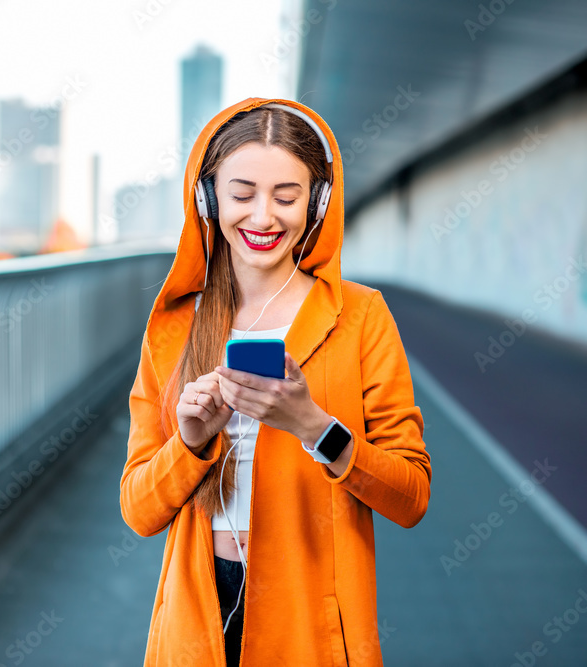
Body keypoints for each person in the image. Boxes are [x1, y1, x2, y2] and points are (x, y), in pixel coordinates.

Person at [119, 97, 432, 666]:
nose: (263, 218)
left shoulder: (361, 318)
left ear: (316, 203)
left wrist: (313, 427)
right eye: (241, 195)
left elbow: (410, 497)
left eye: (286, 198)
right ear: (208, 198)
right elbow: (139, 512)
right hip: (196, 620)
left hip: (314, 625)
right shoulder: (173, 326)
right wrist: (189, 443)